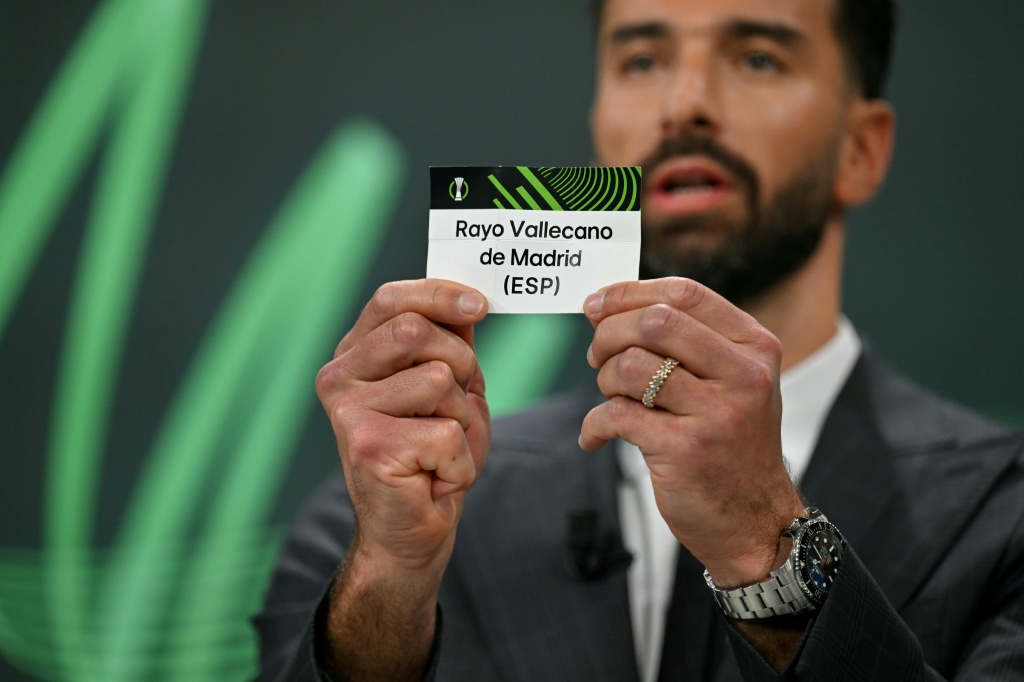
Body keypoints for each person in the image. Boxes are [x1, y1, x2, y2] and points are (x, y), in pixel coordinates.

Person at [254, 0, 1024, 679]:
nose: (684, 105)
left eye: (758, 58)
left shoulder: (1003, 513)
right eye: (642, 60)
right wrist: (389, 583)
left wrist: (765, 541)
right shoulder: (387, 513)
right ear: (598, 125)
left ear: (862, 149)